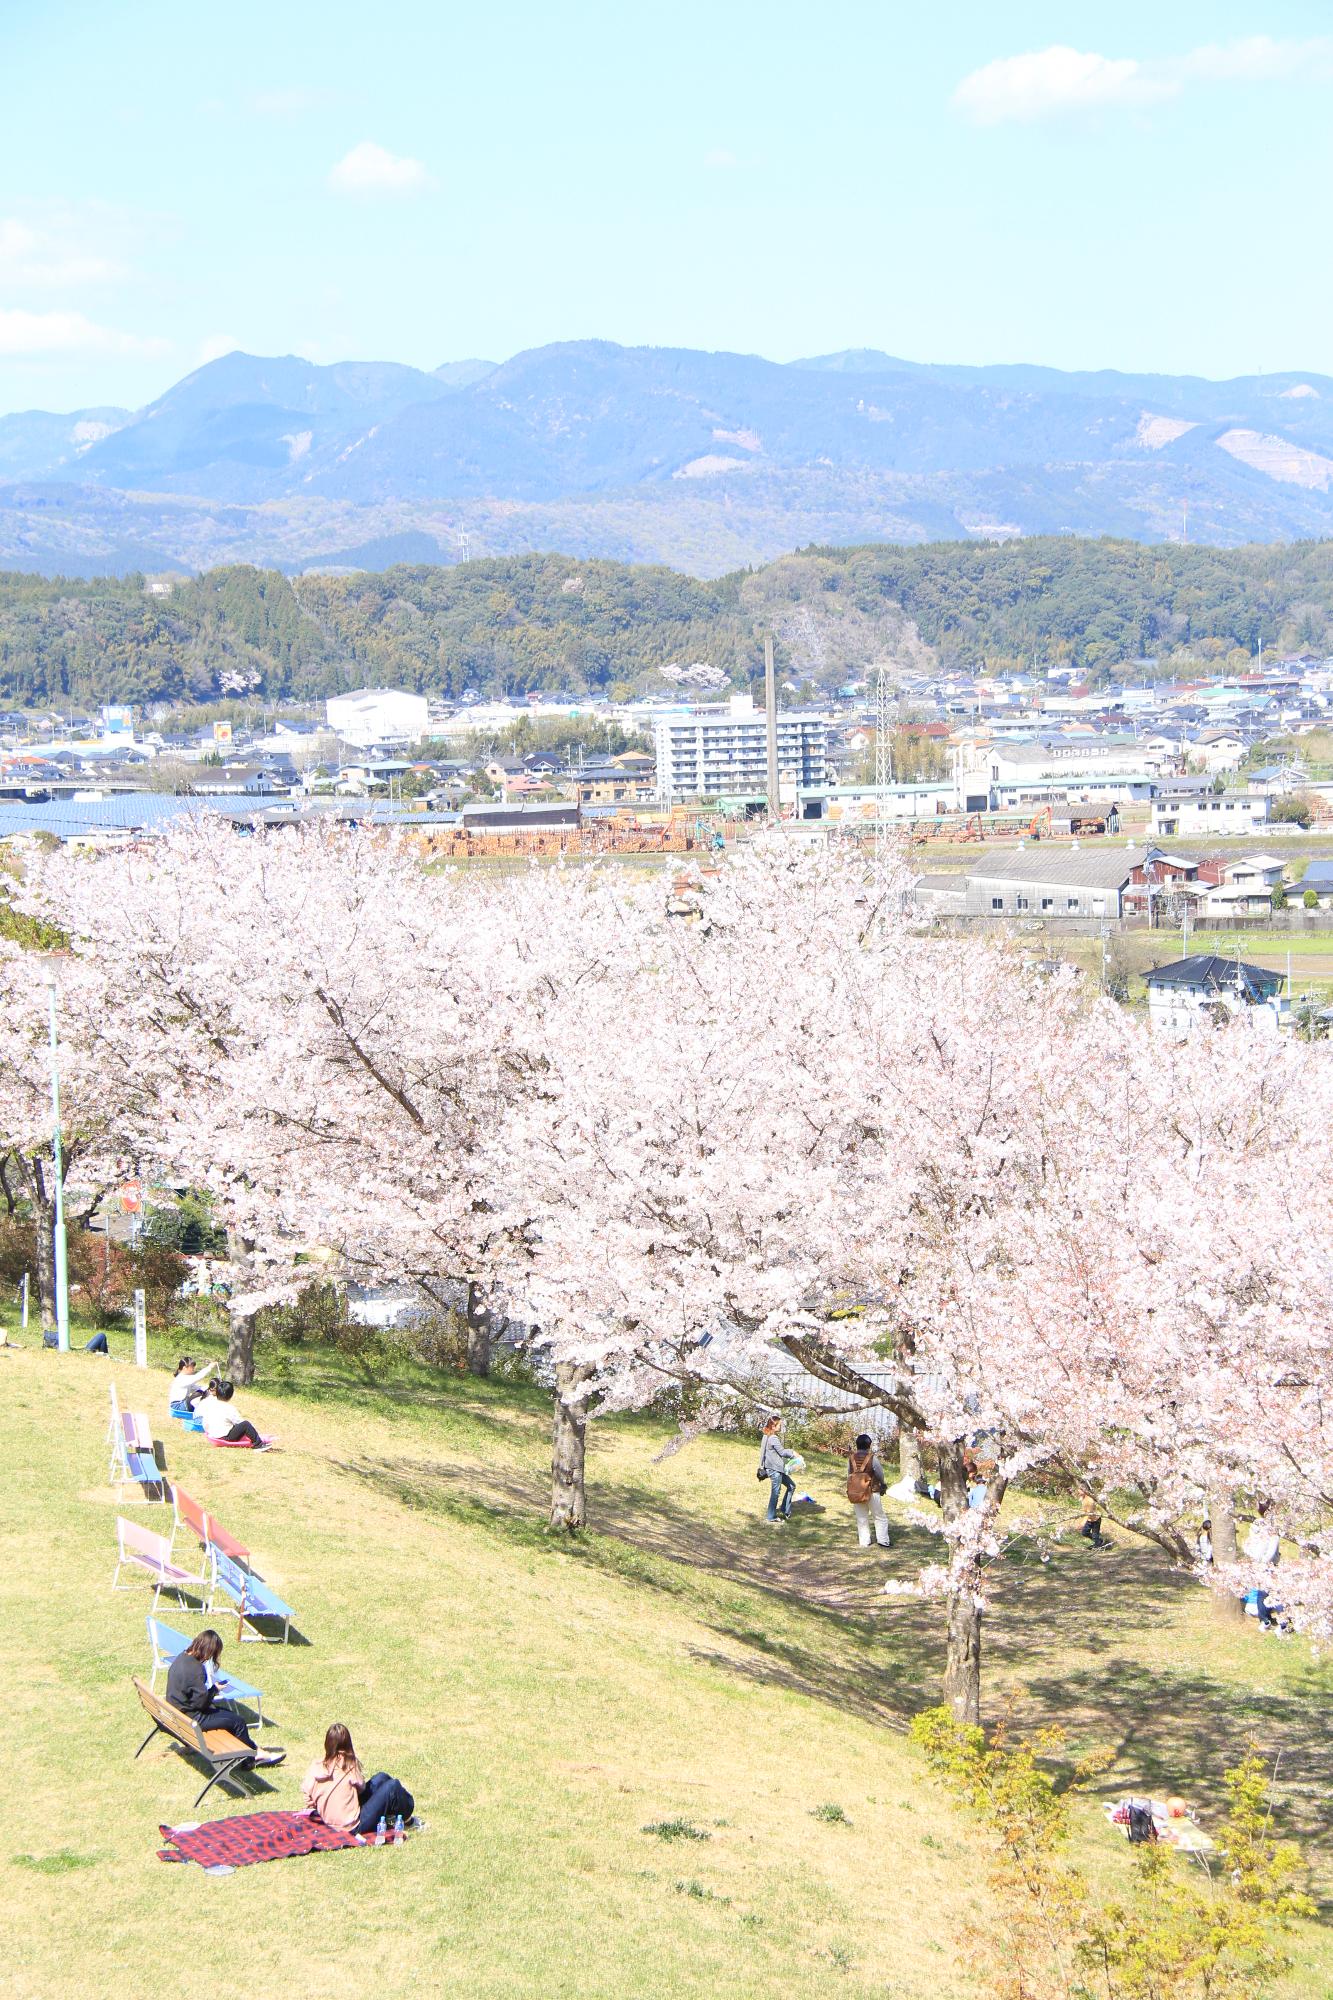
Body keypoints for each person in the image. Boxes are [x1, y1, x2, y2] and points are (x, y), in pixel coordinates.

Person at [164, 1629, 284, 1766]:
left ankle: (258, 1751)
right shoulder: (196, 1669)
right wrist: (214, 1690)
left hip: (178, 1713)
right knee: (238, 1722)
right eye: (212, 1654)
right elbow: (200, 1704)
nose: (209, 1658)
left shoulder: (181, 1657)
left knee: (229, 1716)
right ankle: (250, 1760)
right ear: (208, 1651)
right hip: (193, 1719)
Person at [302, 1723, 414, 1836]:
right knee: (393, 1787)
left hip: (328, 1821)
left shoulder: (316, 1765)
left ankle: (390, 1813)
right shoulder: (348, 1763)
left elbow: (307, 1796)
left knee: (382, 1777)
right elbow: (361, 1788)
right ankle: (408, 1820)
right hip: (352, 1826)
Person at [845, 1432, 890, 1549]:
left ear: (857, 1445)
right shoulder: (872, 1458)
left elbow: (849, 1475)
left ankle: (864, 1542)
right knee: (879, 1516)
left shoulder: (851, 1459)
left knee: (861, 1518)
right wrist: (883, 1485)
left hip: (856, 1492)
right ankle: (883, 1541)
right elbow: (880, 1474)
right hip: (872, 1491)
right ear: (869, 1445)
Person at [197, 1377, 265, 1448]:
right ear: (231, 1395)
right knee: (246, 1424)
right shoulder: (230, 1408)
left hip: (212, 1434)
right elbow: (239, 1421)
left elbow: (205, 1422)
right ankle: (259, 1444)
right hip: (225, 1436)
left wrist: (210, 1432)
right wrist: (252, 1429)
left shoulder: (211, 1404)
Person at [1244, 1503, 1281, 1628]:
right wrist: (1268, 1561)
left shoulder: (1255, 1526)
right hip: (1268, 1563)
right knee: (1267, 1591)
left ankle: (1266, 1617)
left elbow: (1251, 1544)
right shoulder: (1271, 1528)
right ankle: (1265, 1619)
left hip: (1257, 1561)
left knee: (1264, 1591)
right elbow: (1272, 1548)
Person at [758, 1416, 797, 1526]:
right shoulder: (773, 1438)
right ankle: (771, 1516)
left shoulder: (766, 1436)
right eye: (779, 1425)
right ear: (773, 1426)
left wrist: (761, 1466)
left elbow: (762, 1452)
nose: (781, 1426)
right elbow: (782, 1452)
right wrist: (793, 1453)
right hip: (775, 1469)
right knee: (775, 1492)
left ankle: (785, 1510)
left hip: (773, 1468)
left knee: (791, 1486)